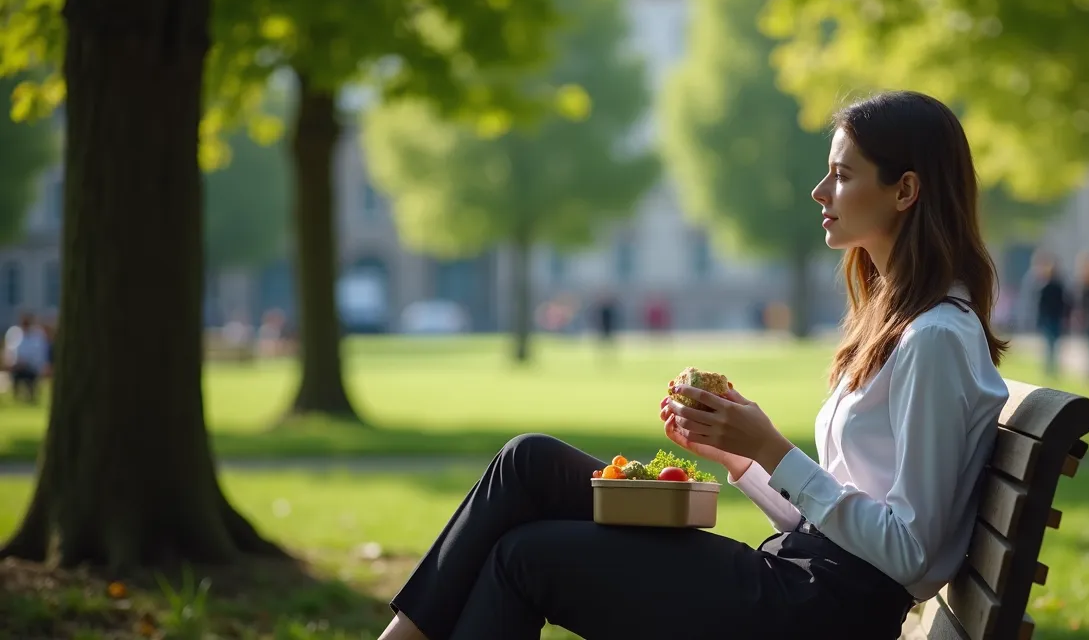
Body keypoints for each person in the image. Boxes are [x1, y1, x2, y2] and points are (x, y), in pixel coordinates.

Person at [377, 91, 1011, 640]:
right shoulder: (902, 324)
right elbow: (835, 517)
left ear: (905, 190)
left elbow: (911, 555)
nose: (820, 191)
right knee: (529, 461)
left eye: (843, 176)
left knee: (525, 556)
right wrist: (742, 457)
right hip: (803, 578)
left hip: (819, 610)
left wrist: (773, 451)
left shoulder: (934, 339)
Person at [3, 313, 50, 403]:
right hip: (17, 367)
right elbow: (9, 352)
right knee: (16, 375)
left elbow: (40, 354)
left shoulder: (38, 336)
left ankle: (31, 396)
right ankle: (16, 397)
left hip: (32, 367)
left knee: (31, 376)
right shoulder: (14, 333)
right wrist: (12, 363)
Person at [1034, 259, 1069, 376]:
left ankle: (1050, 369)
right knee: (1053, 345)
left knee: (1050, 345)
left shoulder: (1046, 287)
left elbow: (1041, 305)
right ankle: (1051, 369)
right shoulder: (1057, 287)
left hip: (1050, 319)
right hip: (1054, 319)